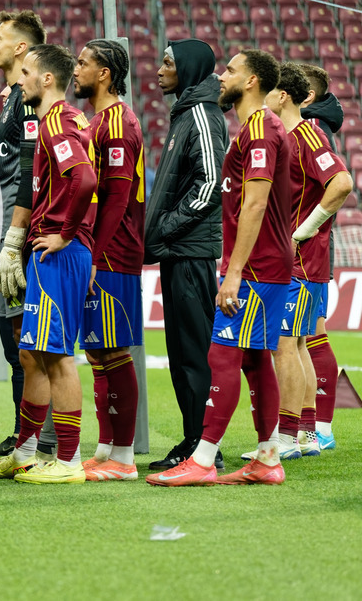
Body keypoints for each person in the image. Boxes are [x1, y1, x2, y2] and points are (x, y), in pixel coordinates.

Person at [147, 48, 291, 486]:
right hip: (263, 261)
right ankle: (268, 458)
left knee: (221, 355)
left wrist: (233, 271)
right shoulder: (251, 129)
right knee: (253, 360)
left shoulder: (262, 129)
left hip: (257, 265)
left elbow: (256, 201)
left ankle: (204, 458)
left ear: (251, 81)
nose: (220, 76)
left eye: (230, 70)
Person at [0, 44, 95, 485]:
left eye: (26, 72)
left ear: (47, 79)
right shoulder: (50, 123)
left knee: (57, 357)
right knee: (32, 355)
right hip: (48, 250)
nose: (19, 79)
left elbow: (83, 177)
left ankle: (69, 461)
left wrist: (65, 232)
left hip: (58, 252)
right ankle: (25, 452)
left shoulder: (59, 123)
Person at [239, 62, 351, 462]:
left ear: (281, 96)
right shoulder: (292, 137)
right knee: (298, 344)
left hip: (302, 260)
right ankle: (302, 435)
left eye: (268, 93)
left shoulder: (308, 135)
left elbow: (341, 183)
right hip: (298, 260)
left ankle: (287, 438)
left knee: (286, 345)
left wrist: (303, 231)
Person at [143, 39, 228, 471]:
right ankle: (193, 439)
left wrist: (166, 227)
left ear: (190, 69)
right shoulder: (184, 113)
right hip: (178, 251)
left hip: (192, 252)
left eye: (168, 62)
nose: (159, 69)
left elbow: (211, 183)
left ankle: (203, 446)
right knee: (180, 352)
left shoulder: (201, 115)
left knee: (194, 352)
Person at [72, 40, 145, 481]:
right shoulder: (98, 120)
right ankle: (104, 449)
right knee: (98, 351)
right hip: (100, 251)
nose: (75, 70)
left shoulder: (118, 123)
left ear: (104, 73)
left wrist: (95, 255)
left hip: (113, 253)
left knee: (115, 351)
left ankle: (125, 457)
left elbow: (117, 199)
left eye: (82, 63)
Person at [0, 9, 46, 457]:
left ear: (21, 47)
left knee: (27, 341)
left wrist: (14, 238)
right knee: (12, 343)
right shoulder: (12, 98)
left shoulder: (27, 101)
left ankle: (39, 436)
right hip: (5, 231)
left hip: (18, 235)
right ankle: (24, 433)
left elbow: (29, 169)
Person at [299, 63, 345, 449]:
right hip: (309, 250)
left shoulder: (315, 131)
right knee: (305, 337)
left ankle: (319, 428)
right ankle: (311, 427)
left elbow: (336, 185)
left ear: (305, 96)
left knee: (310, 336)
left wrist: (309, 226)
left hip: (310, 252)